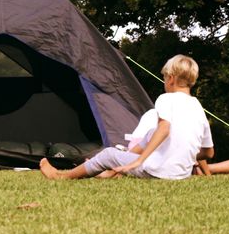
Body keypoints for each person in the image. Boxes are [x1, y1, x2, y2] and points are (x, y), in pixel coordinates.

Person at [39, 54, 214, 181]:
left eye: (164, 78)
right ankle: (111, 172)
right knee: (150, 134)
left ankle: (63, 176)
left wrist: (139, 160)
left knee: (108, 154)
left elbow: (164, 128)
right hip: (181, 175)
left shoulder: (166, 98)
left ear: (170, 79)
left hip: (158, 171)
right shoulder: (197, 107)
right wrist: (182, 153)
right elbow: (208, 152)